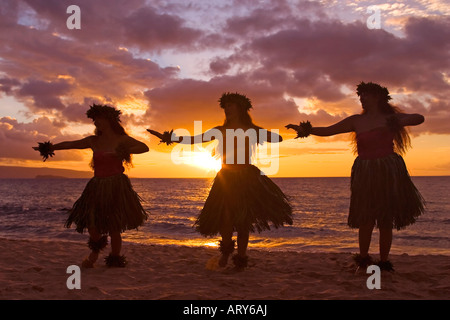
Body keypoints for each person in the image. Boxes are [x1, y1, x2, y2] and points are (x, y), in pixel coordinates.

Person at [286, 82, 425, 271]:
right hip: (365, 171)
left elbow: (419, 118)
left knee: (385, 219)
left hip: (387, 171)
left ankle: (384, 262)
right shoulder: (356, 121)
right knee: (365, 217)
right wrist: (304, 129)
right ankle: (363, 258)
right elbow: (328, 130)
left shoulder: (390, 118)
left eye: (365, 96)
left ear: (377, 97)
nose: (362, 99)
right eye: (360, 97)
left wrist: (400, 121)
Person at [148, 92, 293, 270]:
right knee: (225, 217)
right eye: (225, 107)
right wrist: (169, 138)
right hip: (226, 178)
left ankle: (241, 257)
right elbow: (194, 140)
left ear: (240, 108)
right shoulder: (220, 130)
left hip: (247, 177)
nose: (227, 109)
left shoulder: (251, 130)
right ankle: (225, 252)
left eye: (230, 105)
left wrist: (260, 133)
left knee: (243, 220)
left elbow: (277, 138)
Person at [33, 104, 149, 268]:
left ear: (109, 120)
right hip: (96, 186)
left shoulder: (121, 139)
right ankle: (97, 248)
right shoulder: (93, 141)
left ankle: (113, 259)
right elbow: (70, 144)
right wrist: (50, 147)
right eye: (94, 121)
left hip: (116, 186)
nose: (95, 123)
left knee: (114, 226)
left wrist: (119, 152)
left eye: (98, 120)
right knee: (92, 224)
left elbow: (144, 147)